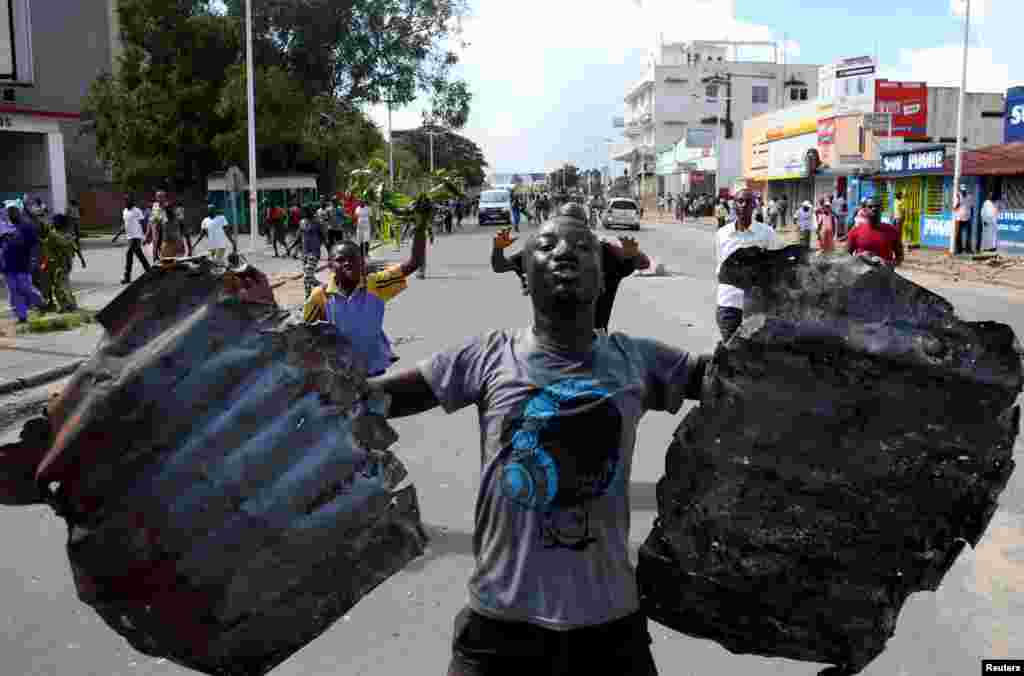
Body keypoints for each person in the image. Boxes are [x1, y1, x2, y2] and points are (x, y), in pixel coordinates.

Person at [364, 210, 709, 676]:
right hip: (500, 623)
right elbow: (377, 399)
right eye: (546, 246)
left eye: (583, 247)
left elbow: (734, 378)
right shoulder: (485, 356)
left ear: (603, 276)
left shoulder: (638, 360)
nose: (565, 252)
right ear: (524, 274)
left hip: (608, 624)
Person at [491, 204, 651, 332]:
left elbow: (643, 263)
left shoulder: (604, 251)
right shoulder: (544, 250)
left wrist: (633, 254)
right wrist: (498, 248)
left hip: (593, 339)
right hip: (548, 338)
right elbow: (501, 266)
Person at [302, 224, 428, 377]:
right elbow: (305, 335)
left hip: (372, 366)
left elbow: (414, 263)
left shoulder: (375, 284)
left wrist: (421, 224)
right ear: (330, 265)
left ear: (362, 262)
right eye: (340, 260)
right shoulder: (320, 295)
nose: (347, 263)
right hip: (340, 372)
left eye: (353, 259)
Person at [715, 189, 784, 342]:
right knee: (730, 353)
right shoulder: (722, 234)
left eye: (748, 202)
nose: (744, 205)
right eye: (740, 201)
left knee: (753, 357)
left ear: (754, 206)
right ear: (734, 205)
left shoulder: (766, 233)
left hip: (756, 309)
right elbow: (720, 268)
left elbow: (779, 266)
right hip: (729, 304)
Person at [2, 204, 44, 323]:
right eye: (9, 213)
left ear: (19, 213)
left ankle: (40, 303)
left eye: (13, 212)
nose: (11, 215)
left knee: (25, 288)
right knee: (13, 291)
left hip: (22, 263)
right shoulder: (5, 227)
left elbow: (35, 244)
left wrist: (34, 260)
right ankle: (22, 316)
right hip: (7, 265)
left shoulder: (27, 227)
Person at [846, 196, 904, 267]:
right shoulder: (855, 231)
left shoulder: (892, 231)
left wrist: (887, 263)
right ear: (864, 210)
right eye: (870, 207)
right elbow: (846, 257)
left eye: (877, 206)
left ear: (882, 209)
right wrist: (860, 257)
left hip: (885, 276)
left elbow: (900, 257)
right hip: (862, 276)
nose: (874, 209)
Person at [298, 205, 328, 298]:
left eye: (306, 211)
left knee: (308, 277)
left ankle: (325, 288)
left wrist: (330, 252)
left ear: (311, 212)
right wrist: (291, 249)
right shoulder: (302, 222)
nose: (305, 213)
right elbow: (299, 236)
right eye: (303, 212)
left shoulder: (317, 223)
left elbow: (323, 237)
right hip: (304, 253)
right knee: (307, 279)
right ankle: (308, 298)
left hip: (314, 252)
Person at [122, 198, 151, 284]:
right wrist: (119, 233)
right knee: (139, 255)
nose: (126, 203)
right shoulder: (124, 211)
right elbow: (126, 223)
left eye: (128, 201)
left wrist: (146, 235)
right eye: (125, 202)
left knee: (129, 253)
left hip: (137, 236)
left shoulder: (137, 211)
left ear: (132, 202)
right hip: (130, 237)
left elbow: (143, 223)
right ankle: (149, 271)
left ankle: (127, 276)